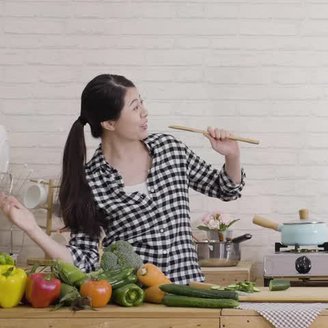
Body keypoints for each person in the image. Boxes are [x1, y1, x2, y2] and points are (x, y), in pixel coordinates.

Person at [0, 74, 245, 284]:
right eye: (135, 107)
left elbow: (226, 189)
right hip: (136, 302)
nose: (144, 112)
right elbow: (83, 261)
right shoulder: (89, 182)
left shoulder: (170, 149)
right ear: (109, 123)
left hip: (190, 294)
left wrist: (232, 155)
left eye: (142, 103)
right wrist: (32, 229)